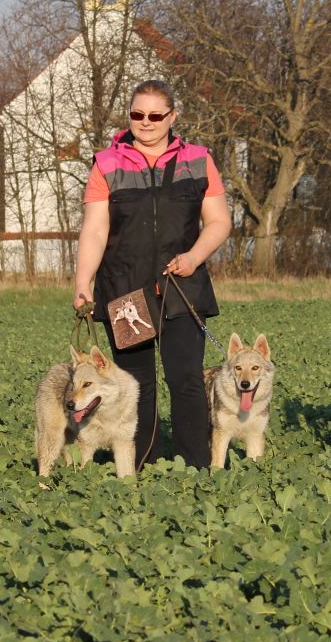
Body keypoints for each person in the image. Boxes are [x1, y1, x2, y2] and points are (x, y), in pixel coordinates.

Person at [73, 79, 231, 469]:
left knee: (186, 380)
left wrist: (194, 257)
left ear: (172, 117)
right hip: (126, 292)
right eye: (137, 114)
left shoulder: (198, 159)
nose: (145, 122)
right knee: (135, 386)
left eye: (155, 115)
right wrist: (82, 283)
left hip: (182, 285)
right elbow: (95, 230)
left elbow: (219, 221)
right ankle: (141, 466)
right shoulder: (106, 163)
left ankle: (194, 468)